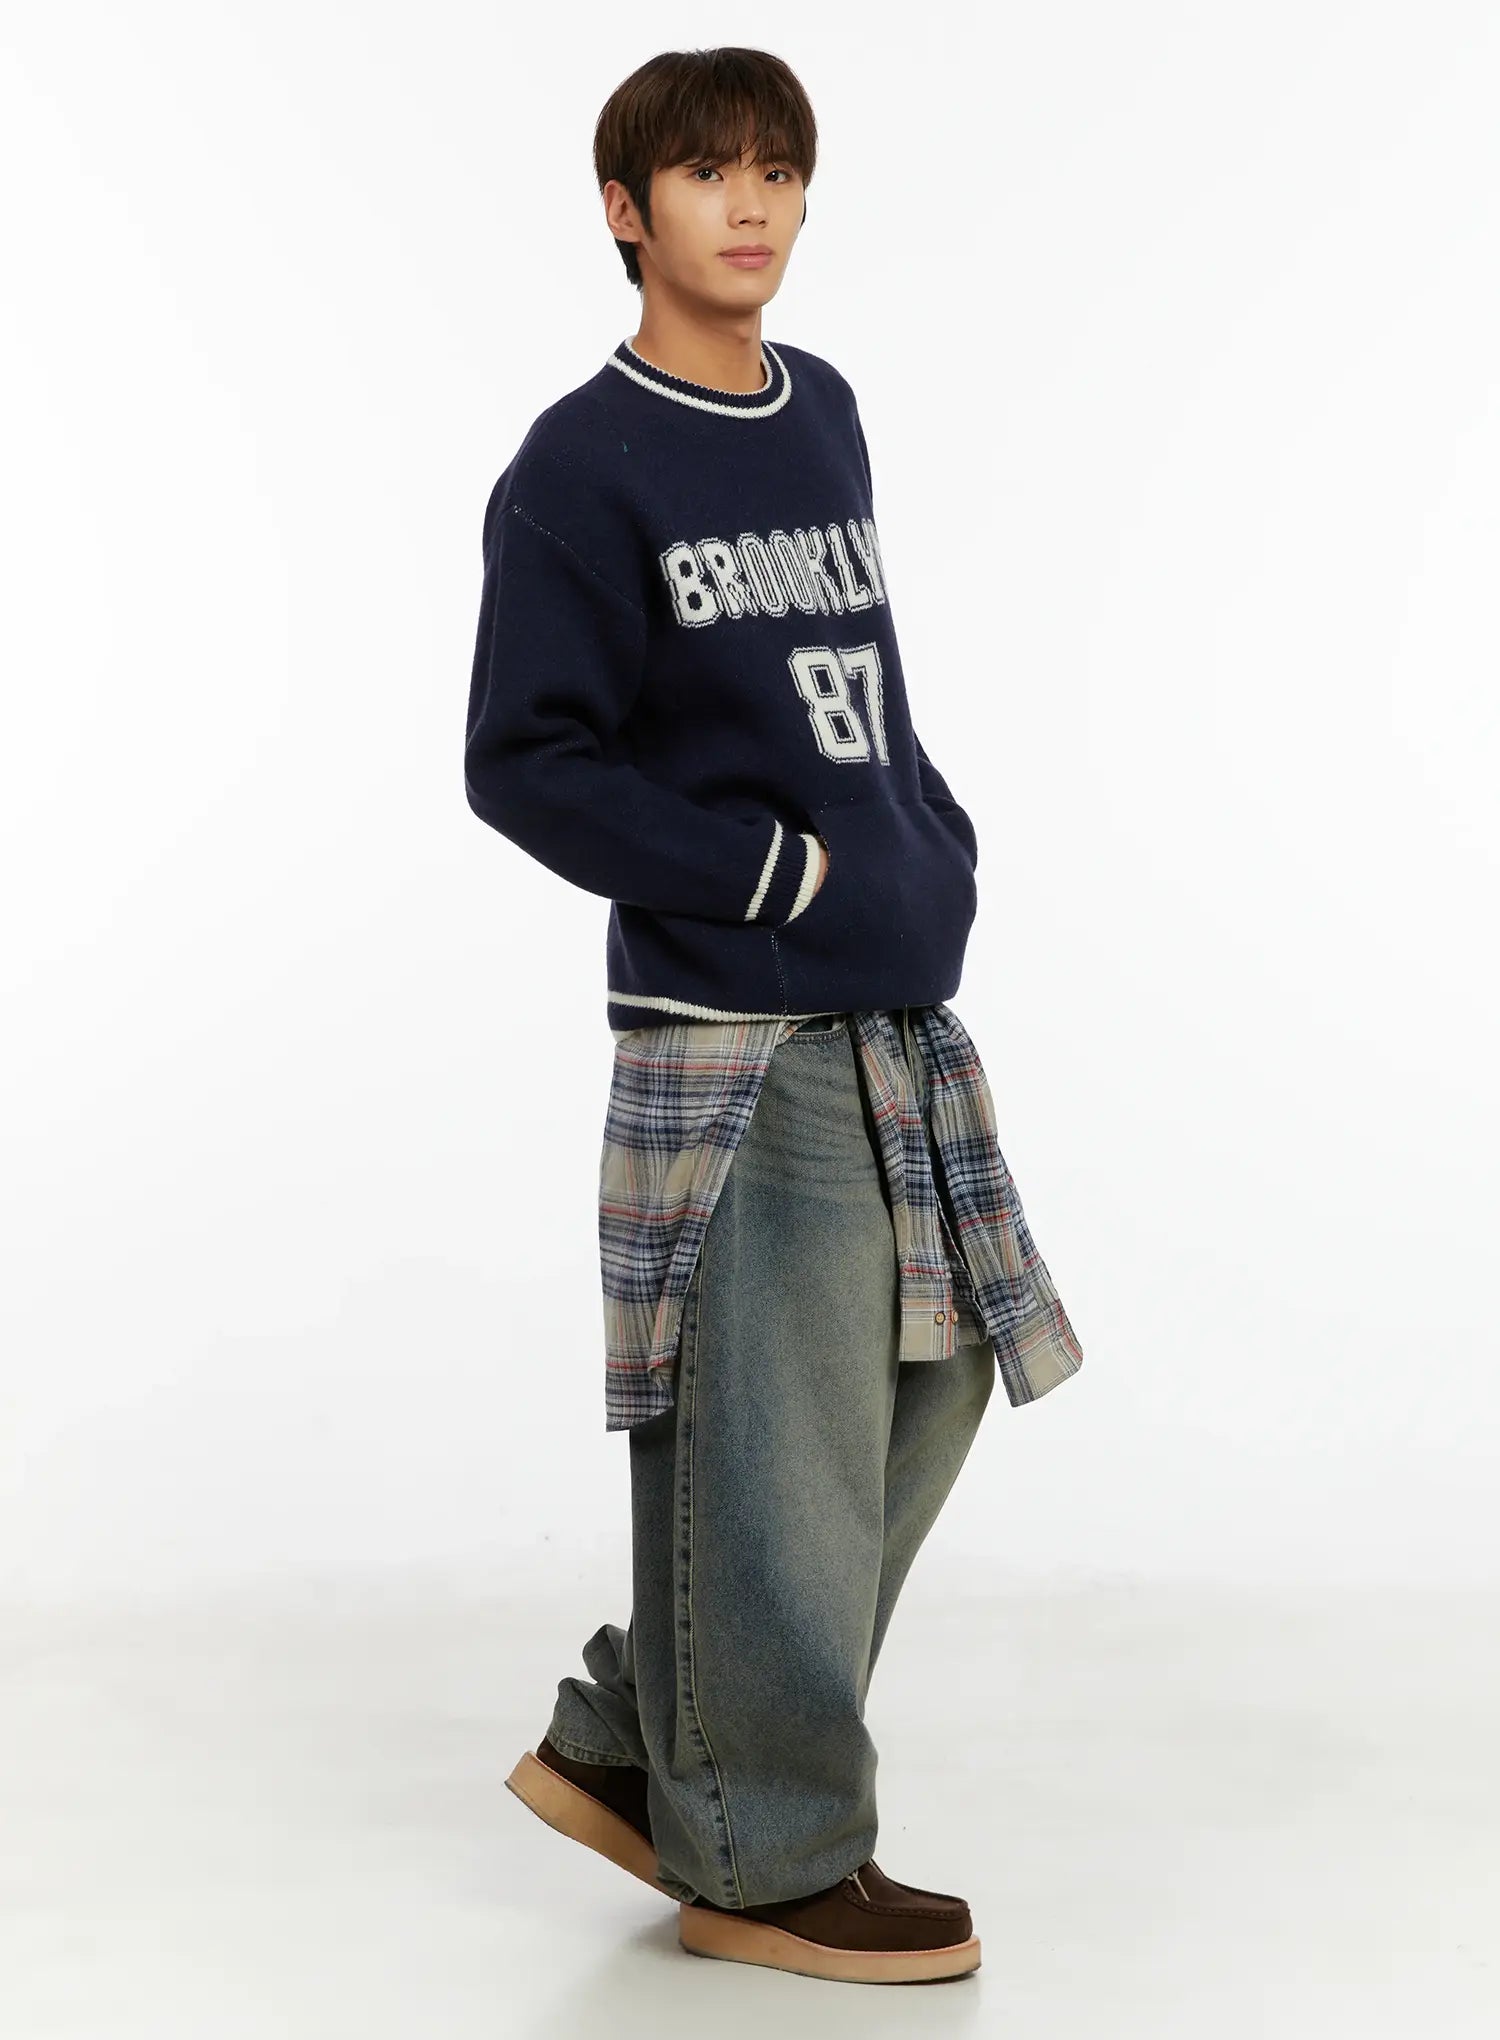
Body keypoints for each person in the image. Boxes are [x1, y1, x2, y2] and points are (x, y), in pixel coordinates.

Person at [464, 46, 1083, 1985]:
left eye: (782, 171)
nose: (752, 205)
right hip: (732, 1026)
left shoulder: (825, 413)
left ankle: (641, 1738)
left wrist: (922, 834)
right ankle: (769, 1853)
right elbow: (522, 763)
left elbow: (860, 675)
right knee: (777, 1437)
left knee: (935, 1371)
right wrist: (770, 876)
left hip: (887, 1000)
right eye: (707, 172)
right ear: (625, 210)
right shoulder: (578, 469)